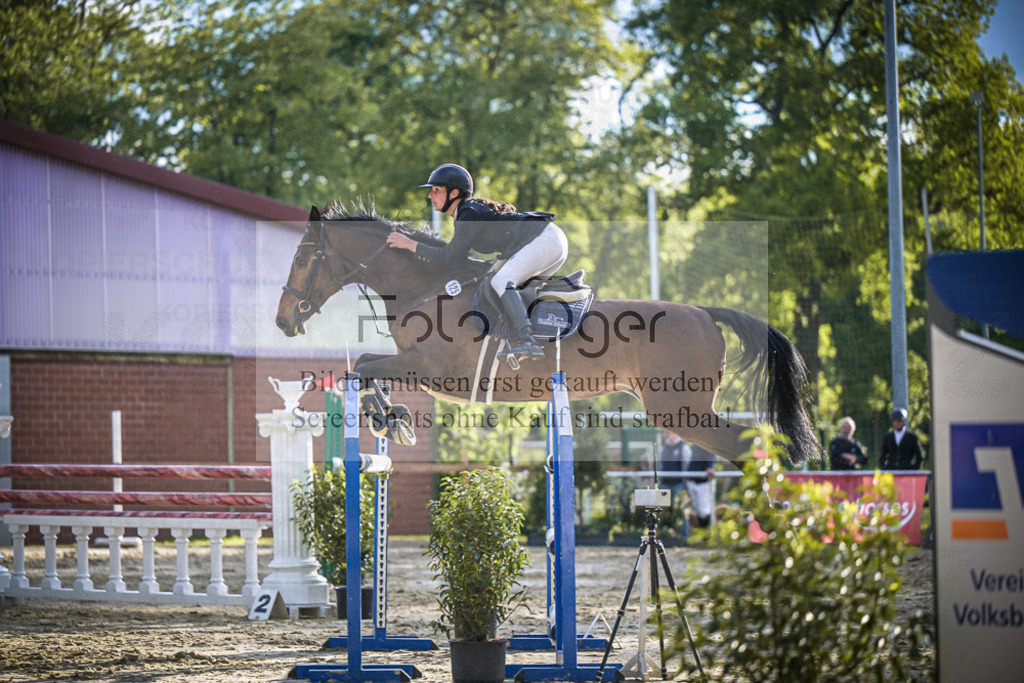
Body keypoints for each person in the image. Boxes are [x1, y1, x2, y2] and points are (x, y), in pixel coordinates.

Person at [386, 163, 568, 362]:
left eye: (436, 190)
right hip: (549, 240)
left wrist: (410, 244)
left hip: (545, 239)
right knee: (516, 290)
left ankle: (527, 341)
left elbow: (448, 257)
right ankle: (534, 339)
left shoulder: (468, 212)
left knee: (501, 281)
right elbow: (459, 259)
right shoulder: (467, 212)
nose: (430, 196)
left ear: (454, 193)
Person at [659, 431, 716, 533]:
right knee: (670, 510)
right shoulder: (665, 448)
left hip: (691, 482)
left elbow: (709, 457)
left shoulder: (684, 447)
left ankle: (701, 533)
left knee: (700, 510)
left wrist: (710, 467)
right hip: (679, 482)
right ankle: (670, 533)